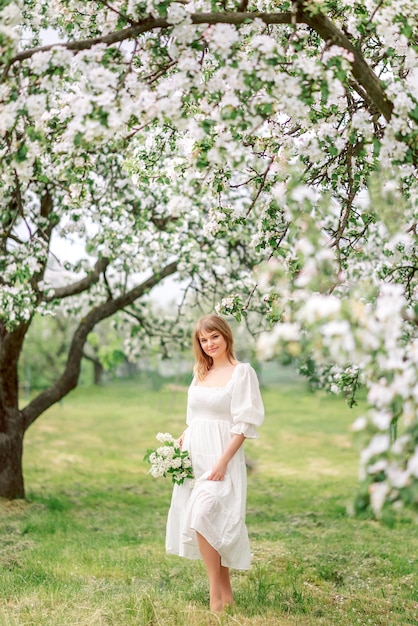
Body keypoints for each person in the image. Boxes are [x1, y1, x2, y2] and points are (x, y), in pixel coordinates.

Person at [165, 313, 264, 612]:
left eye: (214, 337)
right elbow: (194, 417)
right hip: (196, 454)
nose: (209, 344)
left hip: (222, 456)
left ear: (226, 336)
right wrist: (183, 438)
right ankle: (226, 594)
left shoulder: (242, 373)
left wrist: (222, 463)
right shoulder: (201, 373)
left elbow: (244, 423)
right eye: (203, 340)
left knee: (205, 514)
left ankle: (215, 597)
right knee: (206, 521)